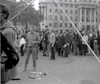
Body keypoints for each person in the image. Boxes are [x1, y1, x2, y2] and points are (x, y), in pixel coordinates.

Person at [0, 4, 20, 83]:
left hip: (3, 67)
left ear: (4, 15)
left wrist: (2, 66)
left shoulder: (8, 31)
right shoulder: (3, 29)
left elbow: (8, 53)